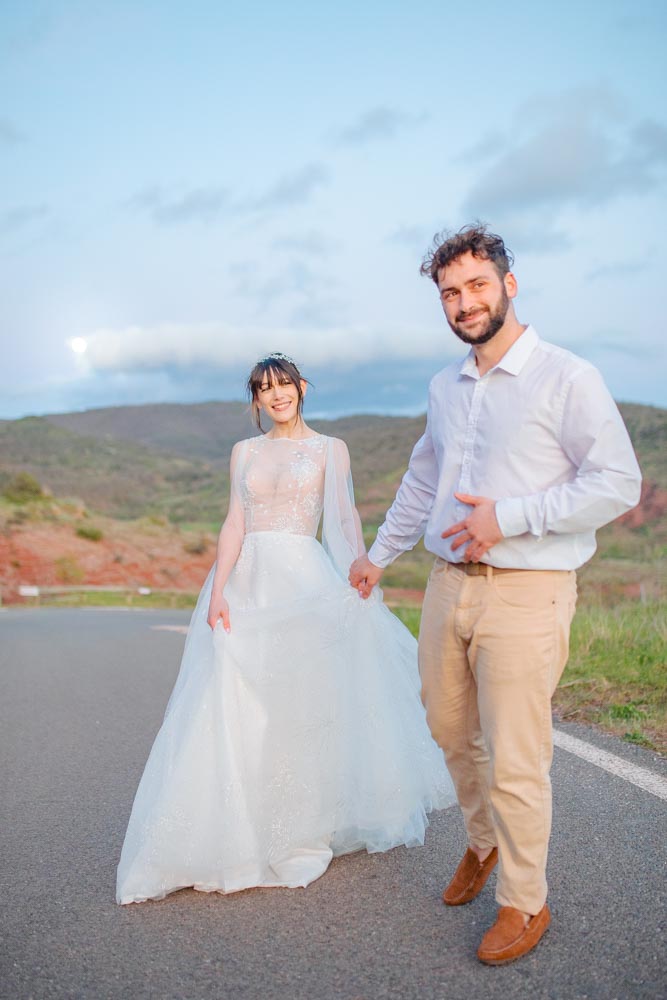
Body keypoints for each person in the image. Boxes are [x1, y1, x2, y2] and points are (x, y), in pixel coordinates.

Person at [349, 224, 642, 965]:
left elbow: (616, 483)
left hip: (528, 591)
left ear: (508, 286)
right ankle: (481, 843)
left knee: (515, 756)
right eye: (449, 292)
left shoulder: (566, 377)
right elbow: (423, 479)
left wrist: (505, 518)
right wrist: (378, 556)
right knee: (448, 731)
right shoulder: (444, 387)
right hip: (448, 587)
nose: (463, 302)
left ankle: (524, 900)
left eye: (476, 285)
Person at [116, 353, 455, 904]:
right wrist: (219, 587)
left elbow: (343, 520)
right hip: (248, 582)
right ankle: (234, 826)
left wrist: (360, 575)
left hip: (304, 582)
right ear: (256, 400)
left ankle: (298, 821)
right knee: (232, 699)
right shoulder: (243, 452)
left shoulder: (330, 449)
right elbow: (234, 520)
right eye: (264, 389)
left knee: (301, 702)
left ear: (301, 388)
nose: (276, 395)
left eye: (284, 385)